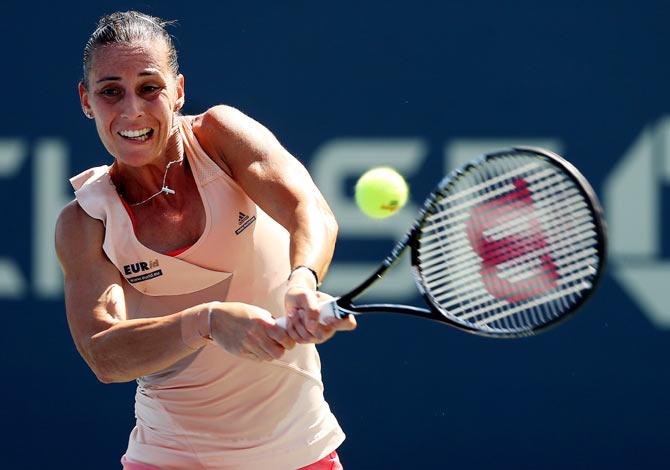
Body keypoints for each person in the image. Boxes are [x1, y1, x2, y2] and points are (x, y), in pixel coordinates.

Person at [56, 10, 356, 470]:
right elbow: (104, 354)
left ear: (178, 90)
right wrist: (207, 322)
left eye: (149, 88)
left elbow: (308, 210)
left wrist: (302, 280)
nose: (132, 110)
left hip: (299, 450)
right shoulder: (85, 221)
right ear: (86, 100)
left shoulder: (220, 137)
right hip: (168, 456)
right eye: (110, 91)